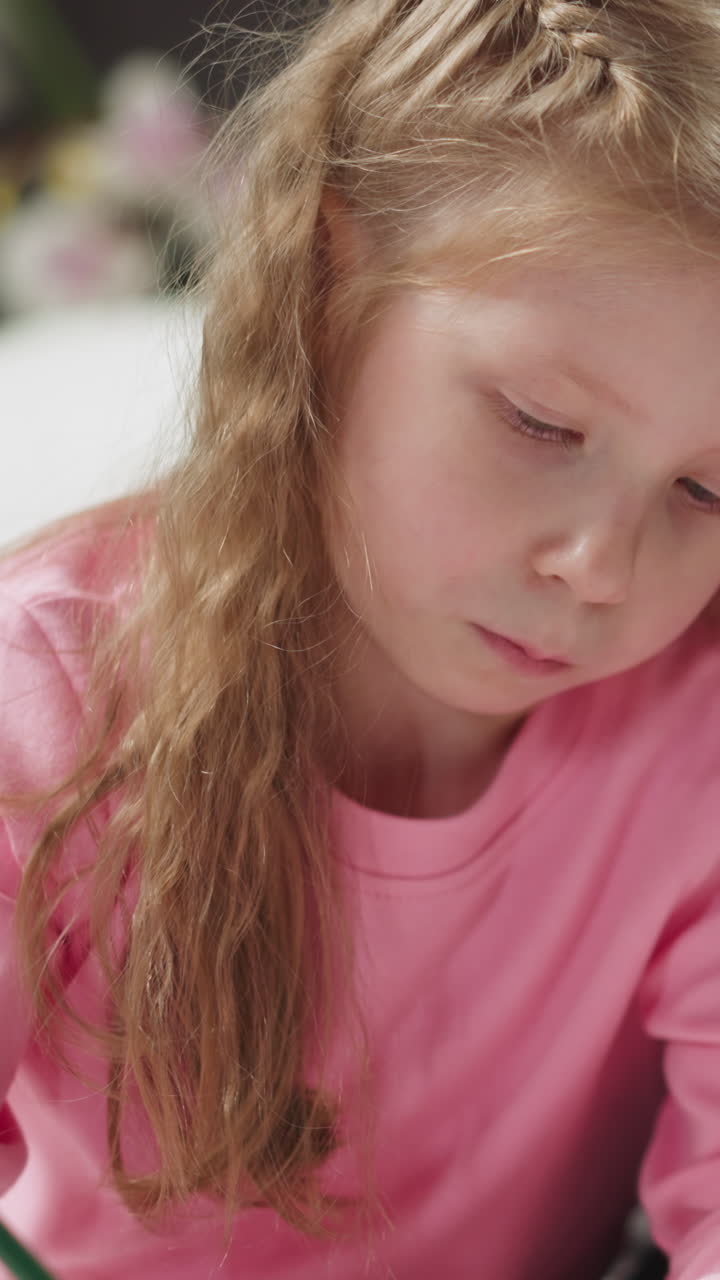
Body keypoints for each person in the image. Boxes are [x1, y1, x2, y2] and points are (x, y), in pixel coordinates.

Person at [3, 0, 720, 1275]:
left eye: (709, 492)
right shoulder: (43, 692)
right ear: (330, 276)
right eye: (539, 422)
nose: (598, 568)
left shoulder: (694, 732)